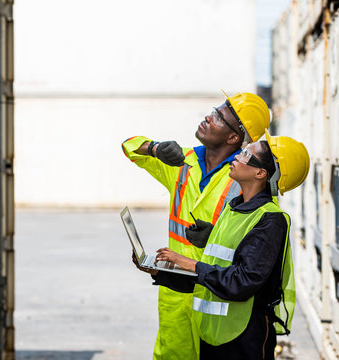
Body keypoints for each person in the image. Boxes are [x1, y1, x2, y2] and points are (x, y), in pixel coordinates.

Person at [136, 130, 310, 359]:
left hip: (244, 339)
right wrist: (162, 273)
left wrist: (190, 264)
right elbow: (211, 275)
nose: (238, 156)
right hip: (214, 334)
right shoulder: (233, 208)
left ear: (260, 172)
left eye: (247, 154)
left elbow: (241, 282)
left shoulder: (270, 220)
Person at [122, 92, 271, 359]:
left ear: (233, 137)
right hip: (175, 291)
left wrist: (214, 236)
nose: (208, 117)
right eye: (214, 110)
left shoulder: (243, 175)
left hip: (215, 293)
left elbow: (257, 246)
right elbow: (130, 146)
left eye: (218, 117)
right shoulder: (180, 161)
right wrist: (154, 148)